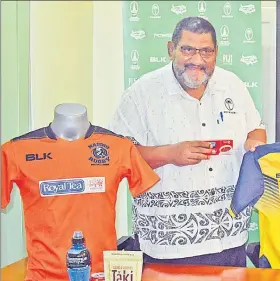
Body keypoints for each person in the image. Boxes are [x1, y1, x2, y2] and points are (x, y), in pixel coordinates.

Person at [109, 17, 266, 267]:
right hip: (167, 245)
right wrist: (170, 154)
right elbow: (117, 156)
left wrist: (254, 144)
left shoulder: (233, 85)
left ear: (216, 53)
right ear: (171, 49)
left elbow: (256, 129)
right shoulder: (142, 93)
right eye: (188, 49)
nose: (197, 60)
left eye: (206, 51)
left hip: (229, 238)